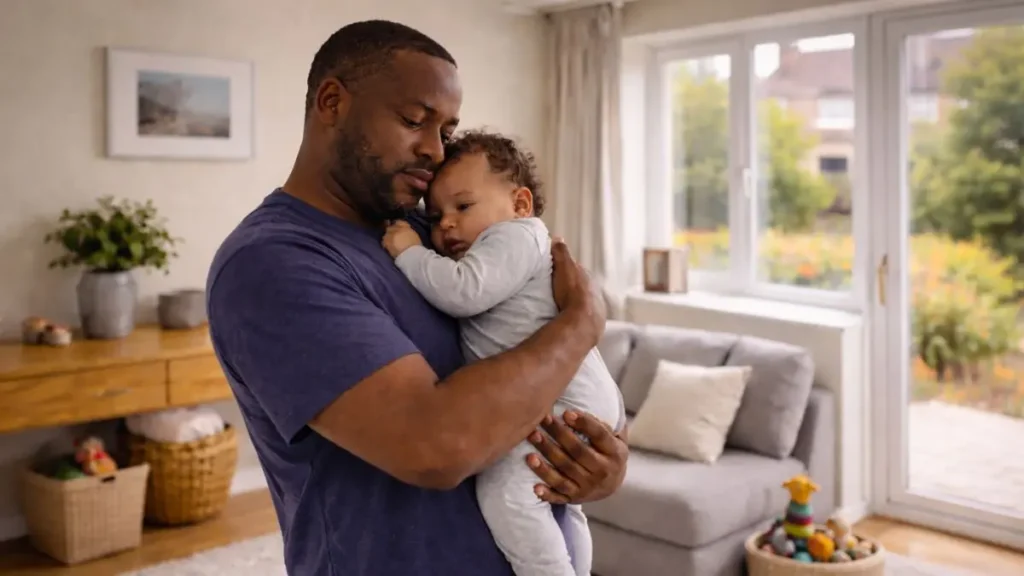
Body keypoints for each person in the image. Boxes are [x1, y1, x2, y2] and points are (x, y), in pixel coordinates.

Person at [205, 19, 629, 576]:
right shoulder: (274, 262)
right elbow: (436, 447)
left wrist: (606, 461)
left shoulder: (426, 229)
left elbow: (532, 348)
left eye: (446, 132)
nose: (434, 151)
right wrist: (583, 322)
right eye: (413, 121)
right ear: (332, 102)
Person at [381, 129, 626, 576]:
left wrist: (410, 252)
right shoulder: (504, 244)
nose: (446, 224)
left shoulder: (516, 237)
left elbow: (463, 292)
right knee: (560, 503)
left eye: (463, 206)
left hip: (565, 399)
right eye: (435, 217)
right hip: (572, 394)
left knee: (505, 492)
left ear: (520, 205)